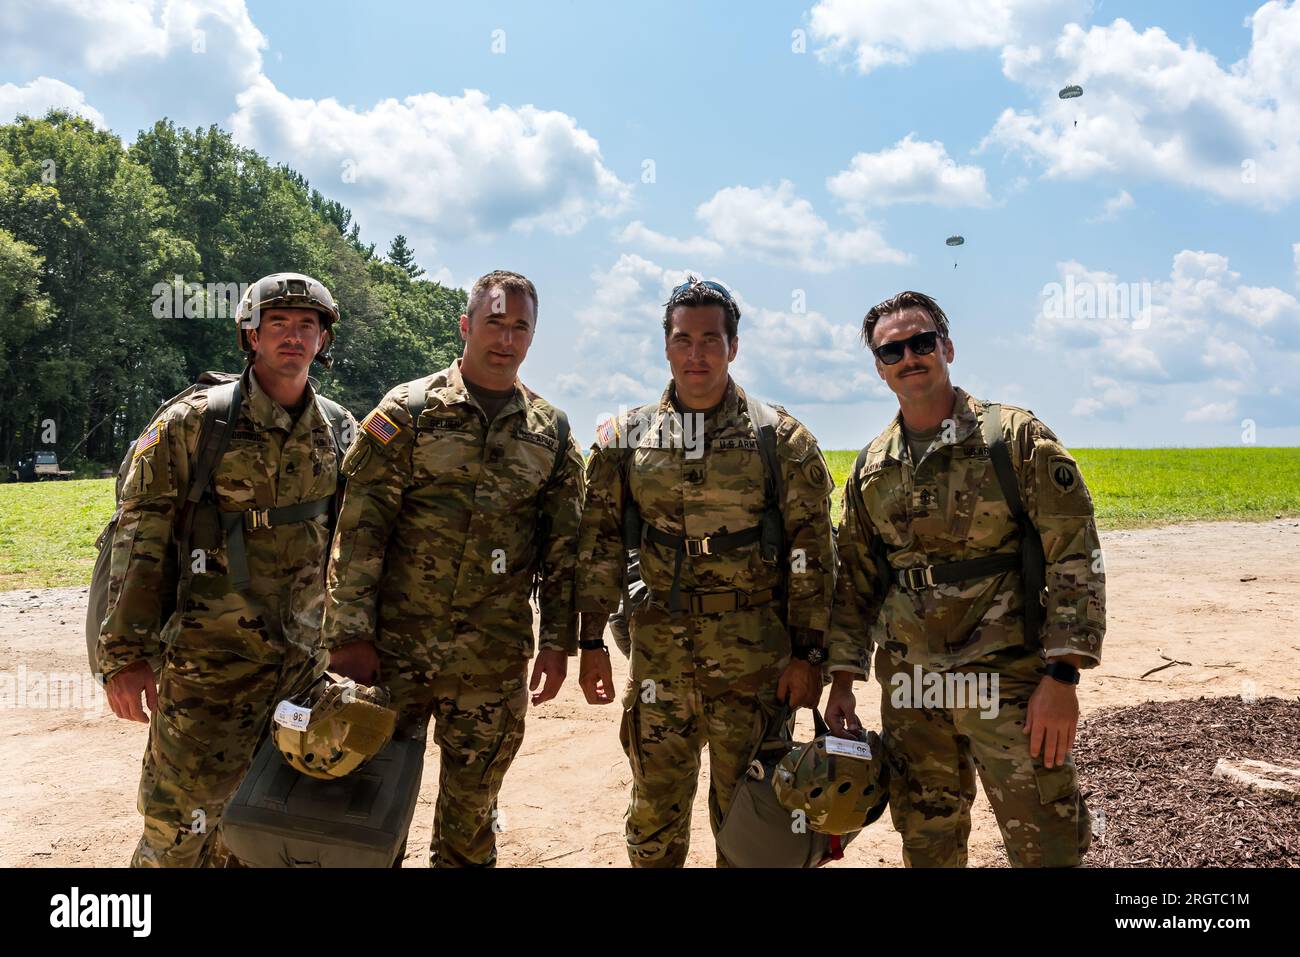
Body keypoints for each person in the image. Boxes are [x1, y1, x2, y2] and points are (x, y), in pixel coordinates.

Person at [825, 290, 1105, 867]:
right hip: (912, 690)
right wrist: (844, 680)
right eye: (892, 349)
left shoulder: (1014, 439)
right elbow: (854, 582)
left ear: (947, 347)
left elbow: (1074, 556)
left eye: (921, 341)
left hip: (1009, 683)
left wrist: (1063, 676)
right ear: (880, 369)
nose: (910, 356)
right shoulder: (872, 467)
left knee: (1046, 843)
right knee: (928, 845)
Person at [325, 270, 584, 868]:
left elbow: (562, 552)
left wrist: (557, 643)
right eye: (495, 322)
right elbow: (360, 533)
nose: (507, 338)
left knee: (471, 823)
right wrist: (350, 637)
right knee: (361, 810)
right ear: (467, 326)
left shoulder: (551, 433)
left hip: (491, 664)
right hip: (392, 654)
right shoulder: (409, 411)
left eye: (521, 327)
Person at [575, 276, 835, 867]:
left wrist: (810, 656)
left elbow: (813, 555)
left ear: (734, 346)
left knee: (753, 827)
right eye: (683, 339)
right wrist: (590, 642)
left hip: (756, 666)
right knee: (653, 820)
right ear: (665, 346)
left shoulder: (781, 440)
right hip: (659, 660)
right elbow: (601, 546)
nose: (697, 354)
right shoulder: (626, 440)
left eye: (711, 339)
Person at [100, 273, 354, 867]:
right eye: (278, 325)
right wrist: (125, 657)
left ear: (323, 339)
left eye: (307, 326)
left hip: (298, 674)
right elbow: (140, 543)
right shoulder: (195, 423)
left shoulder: (338, 430)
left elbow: (349, 543)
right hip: (205, 672)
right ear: (251, 334)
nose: (294, 336)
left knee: (262, 830)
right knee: (177, 832)